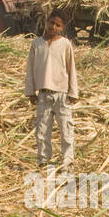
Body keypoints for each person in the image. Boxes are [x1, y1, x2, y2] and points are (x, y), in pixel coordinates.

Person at [25, 12, 79, 167]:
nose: (53, 27)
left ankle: (67, 162)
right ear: (46, 22)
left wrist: (73, 92)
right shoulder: (37, 44)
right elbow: (30, 68)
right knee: (42, 132)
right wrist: (30, 91)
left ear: (62, 28)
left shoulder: (65, 44)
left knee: (66, 131)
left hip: (62, 94)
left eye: (57, 25)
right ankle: (43, 162)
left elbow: (71, 68)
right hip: (43, 95)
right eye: (51, 22)